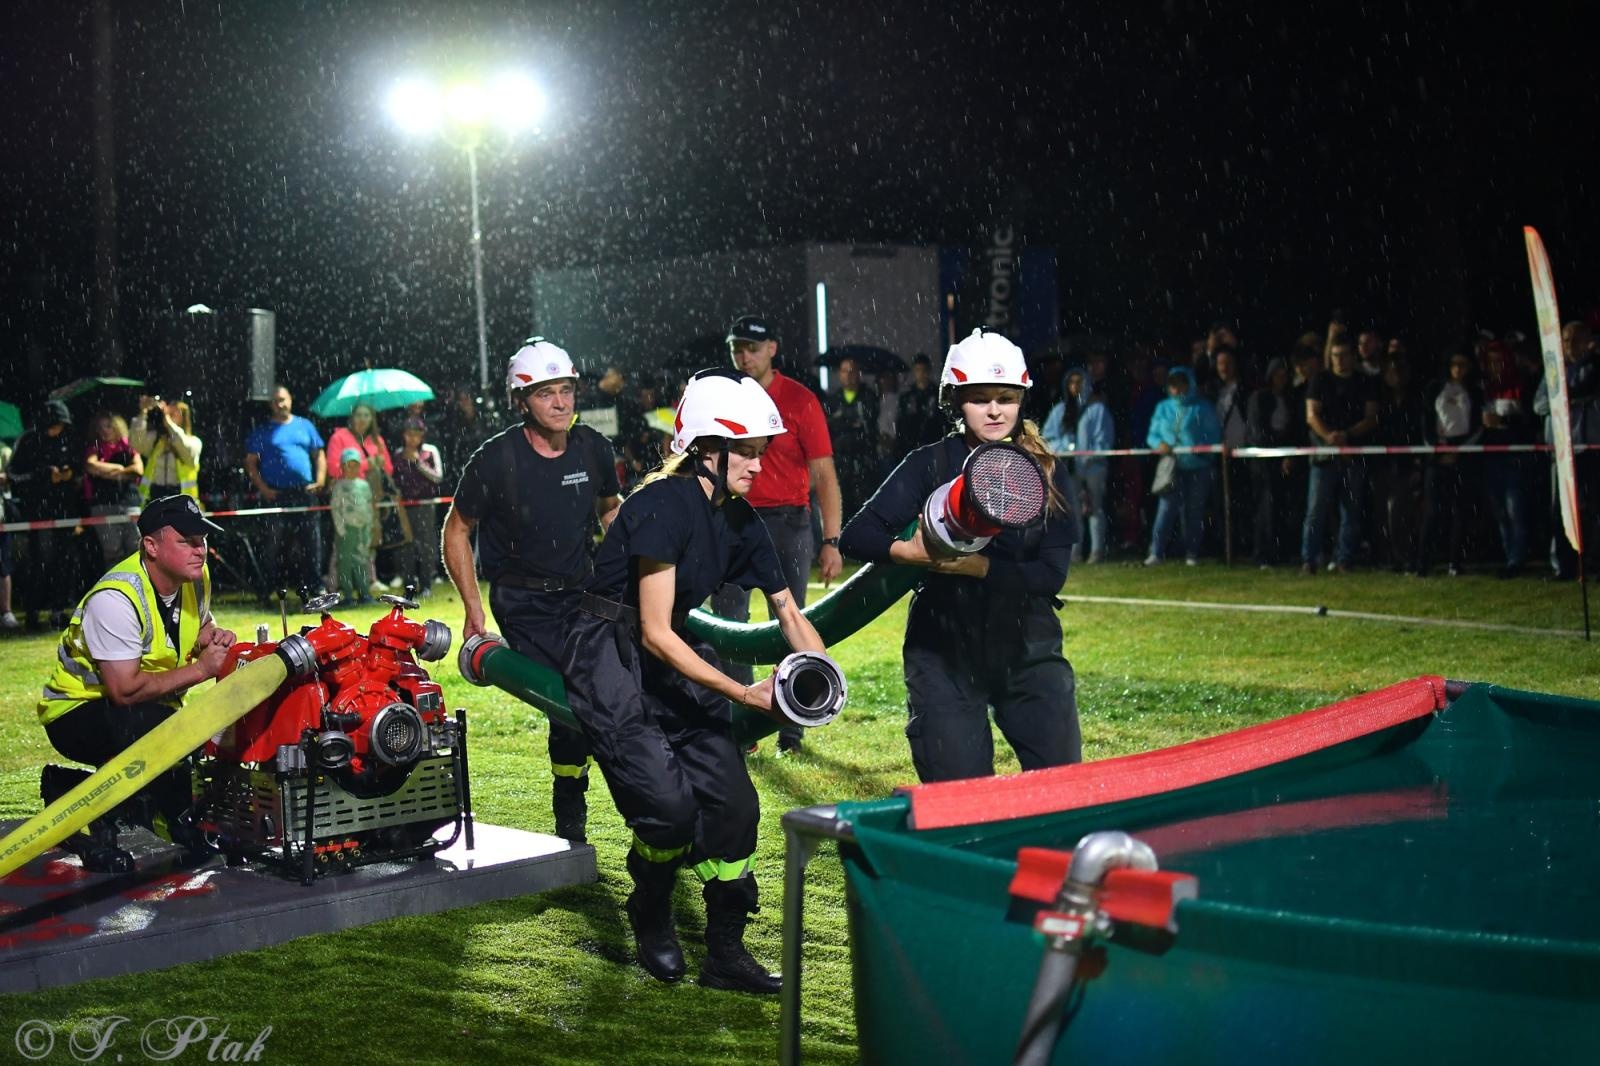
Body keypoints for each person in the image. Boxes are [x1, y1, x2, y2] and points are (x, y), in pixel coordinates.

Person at [560, 368, 826, 993]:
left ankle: (725, 953)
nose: (760, 465)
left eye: (763, 451)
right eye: (750, 451)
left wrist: (820, 680)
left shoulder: (740, 518)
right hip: (610, 649)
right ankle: (650, 906)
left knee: (735, 805)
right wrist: (744, 693)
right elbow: (652, 631)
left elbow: (789, 612)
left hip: (671, 643)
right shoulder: (661, 503)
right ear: (708, 447)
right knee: (668, 808)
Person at [840, 328, 1081, 784]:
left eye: (1006, 398)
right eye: (979, 398)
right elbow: (857, 536)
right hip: (943, 647)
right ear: (955, 400)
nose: (994, 410)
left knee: (1061, 786)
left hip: (1027, 645)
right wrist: (907, 552)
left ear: (1021, 399)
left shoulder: (1046, 469)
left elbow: (1050, 575)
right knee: (958, 794)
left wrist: (982, 567)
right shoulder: (929, 463)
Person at [443, 338, 621, 843]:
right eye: (546, 394)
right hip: (524, 602)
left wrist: (639, 567)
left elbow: (611, 510)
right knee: (570, 695)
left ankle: (577, 794)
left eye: (566, 390)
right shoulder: (495, 459)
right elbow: (457, 529)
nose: (561, 403)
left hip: (583, 592)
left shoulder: (592, 447)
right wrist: (474, 612)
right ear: (521, 402)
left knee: (604, 688)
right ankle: (571, 804)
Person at [35, 494, 235, 872]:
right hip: (75, 711)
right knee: (166, 733)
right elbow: (123, 690)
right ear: (151, 546)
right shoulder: (116, 598)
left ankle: (166, 813)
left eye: (203, 540)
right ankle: (77, 802)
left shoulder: (194, 579)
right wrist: (201, 670)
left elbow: (194, 626)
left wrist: (210, 636)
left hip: (137, 708)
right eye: (187, 541)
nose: (200, 550)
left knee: (187, 739)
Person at [710, 314, 843, 756]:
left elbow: (824, 474)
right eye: (737, 348)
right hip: (732, 519)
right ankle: (744, 719)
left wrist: (832, 540)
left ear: (773, 349)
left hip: (788, 523)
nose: (743, 356)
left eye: (752, 347)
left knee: (790, 620)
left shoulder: (800, 400)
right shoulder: (725, 399)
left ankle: (792, 721)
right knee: (728, 622)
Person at [244, 386, 327, 608]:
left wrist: (320, 480)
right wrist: (263, 489)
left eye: (283, 399)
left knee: (312, 543)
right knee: (272, 544)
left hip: (304, 493)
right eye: (275, 400)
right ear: (271, 404)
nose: (280, 404)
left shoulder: (305, 426)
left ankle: (315, 585)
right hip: (276, 494)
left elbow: (319, 454)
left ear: (290, 400)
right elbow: (251, 463)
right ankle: (268, 588)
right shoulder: (263, 431)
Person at [1301, 339, 1378, 573]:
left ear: (1353, 356)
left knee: (1351, 510)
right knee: (1316, 510)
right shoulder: (1320, 380)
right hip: (1324, 455)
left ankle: (1345, 559)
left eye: (1344, 354)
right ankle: (1309, 559)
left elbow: (1371, 417)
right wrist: (1330, 437)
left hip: (1353, 455)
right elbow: (1311, 415)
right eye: (1335, 355)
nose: (1339, 359)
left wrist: (1347, 435)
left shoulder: (1364, 382)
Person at [7, 400, 83, 628]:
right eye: (53, 425)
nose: (56, 430)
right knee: (40, 561)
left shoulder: (70, 439)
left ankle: (58, 609)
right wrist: (43, 476)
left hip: (66, 510)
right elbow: (14, 475)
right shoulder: (29, 441)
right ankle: (32, 611)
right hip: (37, 511)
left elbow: (81, 468)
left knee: (65, 560)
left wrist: (71, 474)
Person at [1535, 321, 1600, 580]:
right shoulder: (1554, 370)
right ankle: (1564, 566)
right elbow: (1538, 404)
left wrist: (1565, 399)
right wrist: (1563, 402)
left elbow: (1587, 390)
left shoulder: (1594, 365)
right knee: (1560, 513)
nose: (1568, 346)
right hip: (1562, 455)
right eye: (1565, 340)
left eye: (1574, 340)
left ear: (1587, 341)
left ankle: (1593, 564)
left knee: (1594, 510)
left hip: (1590, 449)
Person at [1144, 366, 1221, 566]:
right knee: (1165, 510)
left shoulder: (1203, 407)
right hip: (1171, 467)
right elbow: (1153, 434)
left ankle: (1192, 553)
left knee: (1194, 511)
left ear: (1189, 384)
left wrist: (1199, 449)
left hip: (1198, 467)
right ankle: (1156, 552)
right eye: (1173, 385)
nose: (1177, 390)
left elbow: (1213, 435)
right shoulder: (1163, 407)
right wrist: (1159, 444)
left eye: (1181, 384)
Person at [1415, 351, 1482, 577]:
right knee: (1432, 511)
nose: (1459, 369)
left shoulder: (1474, 391)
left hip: (1463, 456)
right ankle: (1423, 562)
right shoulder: (1435, 388)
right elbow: (1425, 422)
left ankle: (1455, 562)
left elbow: (1477, 427)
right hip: (1437, 455)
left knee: (1460, 512)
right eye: (1455, 364)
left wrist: (1459, 450)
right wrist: (1437, 449)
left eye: (1463, 364)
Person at [326, 402, 398, 596]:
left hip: (370, 497)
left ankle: (367, 581)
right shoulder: (339, 437)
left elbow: (389, 470)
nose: (362, 419)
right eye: (358, 415)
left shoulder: (377, 440)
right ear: (351, 417)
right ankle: (336, 586)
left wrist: (381, 464)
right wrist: (367, 464)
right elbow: (334, 469)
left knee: (367, 543)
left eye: (367, 415)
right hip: (346, 500)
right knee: (342, 547)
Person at [1042, 367, 1113, 563]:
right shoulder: (1060, 410)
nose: (1075, 386)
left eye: (1079, 382)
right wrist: (1065, 448)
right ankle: (1075, 552)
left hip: (1093, 468)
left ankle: (1097, 551)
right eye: (1071, 382)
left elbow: (1104, 439)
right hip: (1068, 468)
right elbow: (1048, 438)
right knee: (1073, 511)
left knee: (1095, 509)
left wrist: (1088, 455)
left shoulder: (1097, 409)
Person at [1245, 357, 1298, 566]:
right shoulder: (1259, 398)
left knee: (1281, 508)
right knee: (1265, 509)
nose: (1281, 378)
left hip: (1282, 460)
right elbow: (1257, 432)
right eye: (1278, 374)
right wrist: (1279, 444)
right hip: (1263, 462)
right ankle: (1263, 554)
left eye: (1285, 374)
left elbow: (1293, 431)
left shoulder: (1289, 398)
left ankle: (1280, 552)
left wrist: (1288, 454)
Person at [823, 354, 881, 520]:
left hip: (864, 461)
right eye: (843, 371)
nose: (847, 375)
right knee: (842, 507)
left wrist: (841, 420)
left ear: (858, 373)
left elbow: (868, 423)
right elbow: (829, 425)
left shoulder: (868, 397)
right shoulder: (833, 400)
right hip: (841, 462)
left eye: (851, 371)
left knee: (864, 507)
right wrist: (846, 421)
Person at [391, 417, 444, 595]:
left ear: (422, 435)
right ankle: (409, 586)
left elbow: (438, 477)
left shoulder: (430, 451)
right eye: (409, 434)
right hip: (405, 507)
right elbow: (395, 481)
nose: (413, 438)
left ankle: (426, 585)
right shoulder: (398, 454)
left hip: (426, 506)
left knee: (426, 545)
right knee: (407, 546)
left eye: (417, 434)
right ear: (404, 435)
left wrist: (418, 463)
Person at [83, 411, 144, 566]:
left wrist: (108, 473)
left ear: (117, 427)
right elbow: (91, 465)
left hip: (130, 503)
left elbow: (138, 470)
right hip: (103, 505)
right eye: (100, 427)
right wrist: (121, 469)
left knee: (136, 549)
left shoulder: (128, 446)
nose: (104, 430)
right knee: (112, 551)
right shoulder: (95, 447)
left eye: (108, 426)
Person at [132, 394, 203, 502]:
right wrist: (143, 412)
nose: (168, 415)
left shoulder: (194, 441)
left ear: (183, 418)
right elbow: (136, 442)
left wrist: (168, 422)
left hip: (181, 497)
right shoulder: (157, 440)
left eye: (174, 413)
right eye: (168, 412)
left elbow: (183, 446)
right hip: (155, 495)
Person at [330, 448, 378, 604]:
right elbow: (335, 508)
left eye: (355, 465)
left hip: (362, 529)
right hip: (347, 529)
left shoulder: (364, 485)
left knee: (362, 560)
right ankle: (348, 594)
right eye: (348, 465)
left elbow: (369, 505)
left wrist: (370, 526)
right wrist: (340, 528)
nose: (352, 469)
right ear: (342, 467)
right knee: (345, 561)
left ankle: (364, 593)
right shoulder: (339, 486)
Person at [895, 353, 942, 459]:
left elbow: (942, 422)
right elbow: (901, 423)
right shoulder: (907, 397)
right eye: (918, 370)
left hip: (932, 444)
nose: (921, 373)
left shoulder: (937, 395)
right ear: (914, 371)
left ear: (929, 371)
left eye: (923, 370)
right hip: (911, 446)